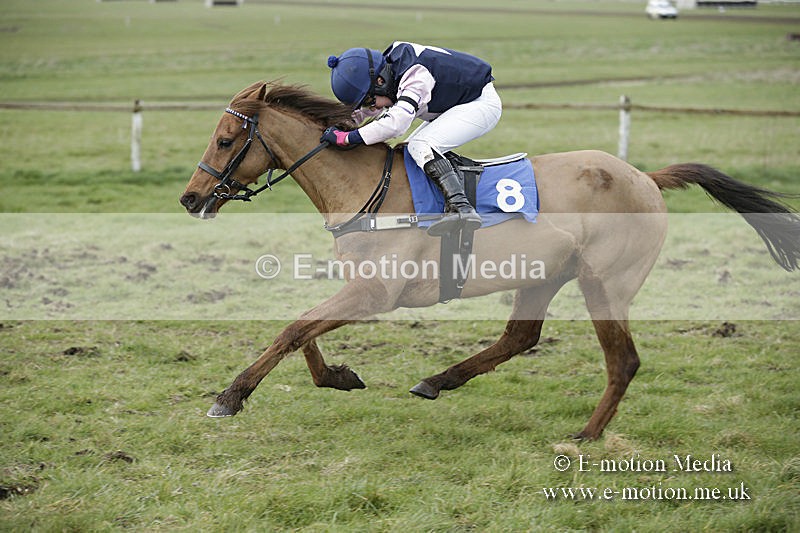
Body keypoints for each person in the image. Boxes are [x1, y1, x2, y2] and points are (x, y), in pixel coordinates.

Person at [322, 41, 502, 236]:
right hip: (458, 101)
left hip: (480, 104)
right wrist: (345, 120)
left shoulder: (415, 76)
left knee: (421, 145)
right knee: (411, 150)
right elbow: (367, 110)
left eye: (369, 101)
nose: (372, 108)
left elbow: (396, 124)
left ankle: (461, 208)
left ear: (381, 82)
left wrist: (349, 138)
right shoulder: (389, 67)